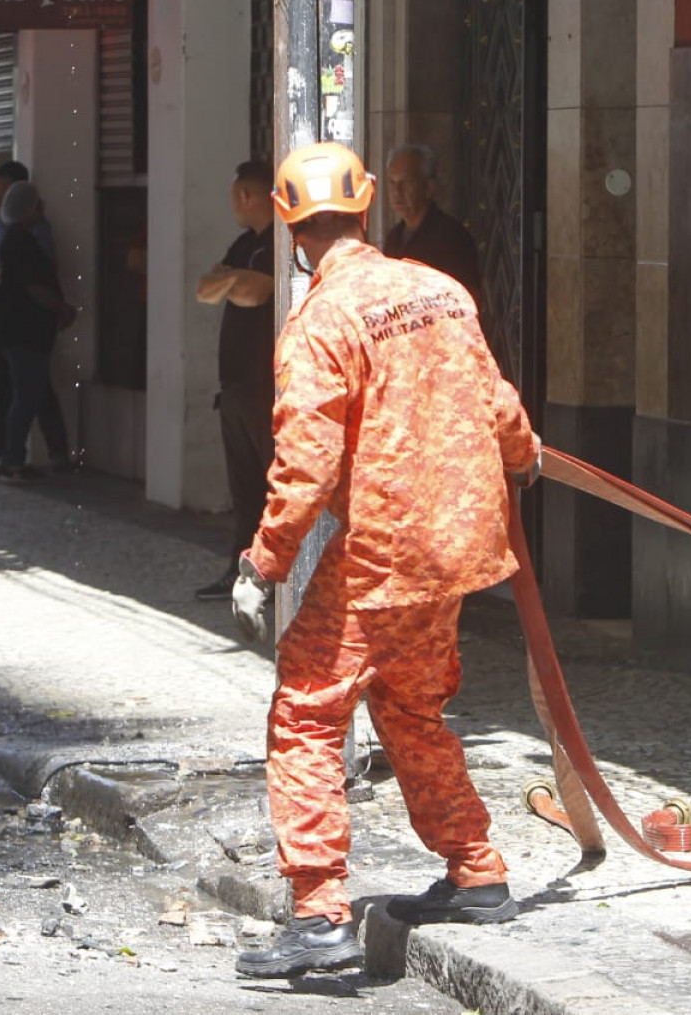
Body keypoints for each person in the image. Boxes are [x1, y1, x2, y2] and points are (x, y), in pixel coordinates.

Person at [229, 142, 540, 981]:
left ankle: (319, 912)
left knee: (305, 709)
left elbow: (305, 463)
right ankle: (476, 869)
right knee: (408, 704)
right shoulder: (440, 288)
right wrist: (524, 452)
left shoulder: (321, 321)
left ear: (293, 229)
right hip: (459, 545)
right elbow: (497, 402)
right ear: (364, 208)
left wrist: (263, 564)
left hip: (380, 551)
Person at [193, 160, 275, 601]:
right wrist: (232, 280)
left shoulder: (280, 241)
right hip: (235, 387)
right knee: (244, 490)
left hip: (265, 386)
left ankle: (277, 577)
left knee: (273, 484)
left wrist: (233, 281)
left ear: (246, 195)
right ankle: (240, 572)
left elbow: (258, 292)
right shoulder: (244, 243)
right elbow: (205, 288)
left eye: (234, 195)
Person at [0, 161, 73, 470]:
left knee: (28, 391)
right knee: (26, 393)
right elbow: (34, 285)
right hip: (22, 329)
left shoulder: (28, 236)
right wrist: (61, 308)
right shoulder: (20, 241)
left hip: (13, 326)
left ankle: (15, 454)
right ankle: (13, 457)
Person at [383, 144, 484, 310]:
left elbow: (467, 298)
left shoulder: (452, 237)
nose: (397, 191)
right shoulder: (394, 238)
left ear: (429, 187)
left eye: (406, 182)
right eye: (392, 182)